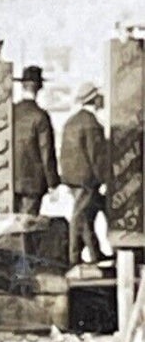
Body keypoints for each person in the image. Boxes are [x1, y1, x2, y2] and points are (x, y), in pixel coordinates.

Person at [60, 81, 110, 269]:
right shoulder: (92, 124)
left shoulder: (71, 121)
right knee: (80, 215)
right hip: (87, 179)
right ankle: (73, 256)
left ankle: (95, 253)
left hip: (72, 179)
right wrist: (104, 179)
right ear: (94, 98)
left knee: (86, 216)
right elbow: (96, 156)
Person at [13, 65, 59, 216]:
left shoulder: (11, 112)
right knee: (28, 226)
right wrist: (52, 182)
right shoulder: (41, 116)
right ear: (39, 88)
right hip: (33, 183)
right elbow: (46, 152)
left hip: (9, 179)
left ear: (22, 86)